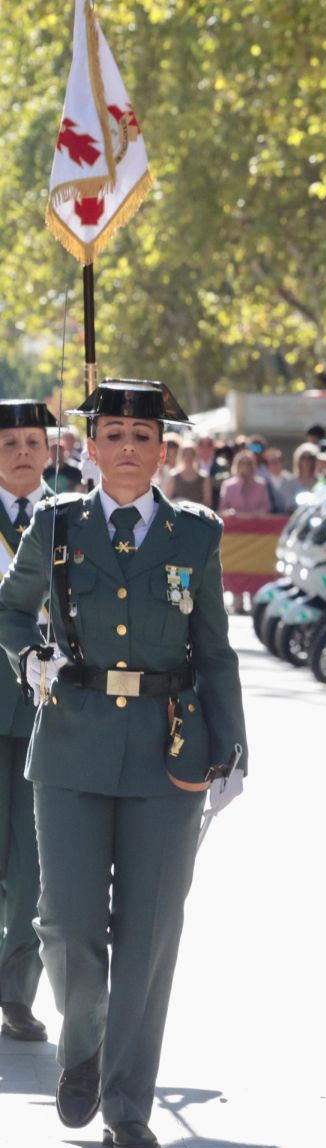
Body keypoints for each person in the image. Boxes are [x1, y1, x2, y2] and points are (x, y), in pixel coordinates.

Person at [0, 378, 246, 1148]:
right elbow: (10, 607)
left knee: (149, 932)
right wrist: (29, 656)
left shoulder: (195, 535)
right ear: (91, 447)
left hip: (167, 749)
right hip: (70, 738)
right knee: (67, 925)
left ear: (164, 450)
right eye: (114, 435)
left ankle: (127, 1101)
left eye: (144, 437)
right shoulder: (57, 523)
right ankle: (86, 1041)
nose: (130, 449)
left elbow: (213, 649)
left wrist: (232, 749)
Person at [0, 401, 53, 1044]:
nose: (20, 452)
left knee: (35, 863)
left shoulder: (73, 520)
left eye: (31, 441)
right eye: (8, 441)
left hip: (49, 710)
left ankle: (16, 993)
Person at [216, 448, 275, 515]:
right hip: (235, 522)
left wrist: (254, 514)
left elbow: (267, 507)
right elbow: (222, 509)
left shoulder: (261, 484)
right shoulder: (228, 485)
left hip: (256, 523)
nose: (245, 466)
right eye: (241, 463)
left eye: (248, 463)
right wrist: (231, 512)